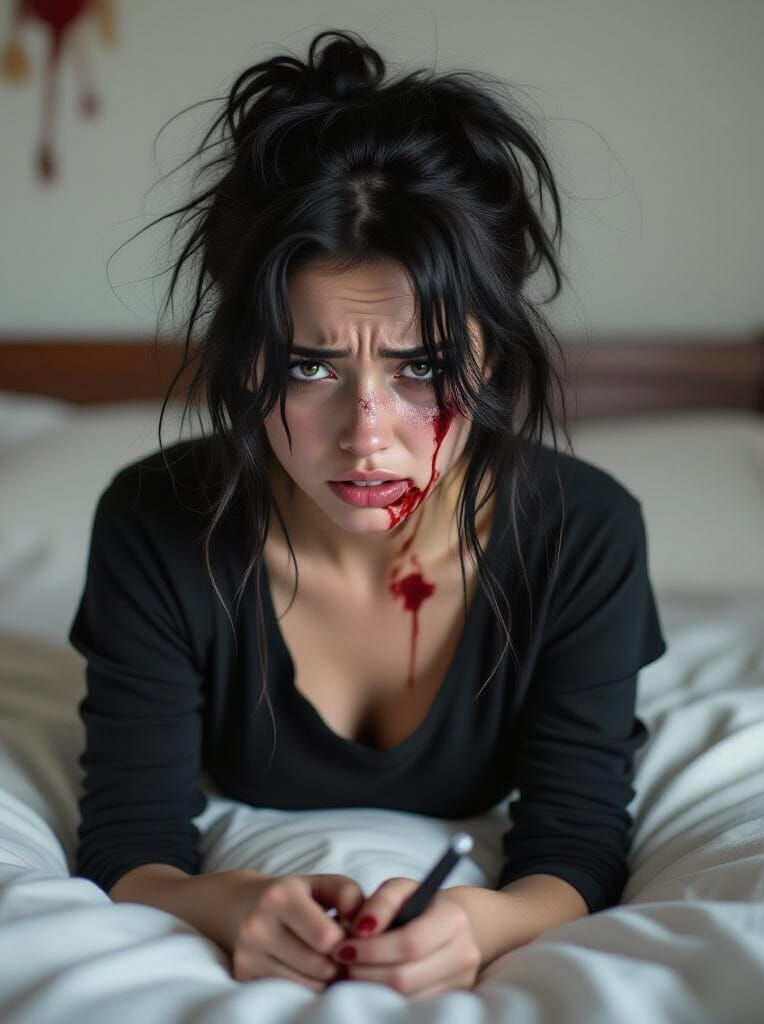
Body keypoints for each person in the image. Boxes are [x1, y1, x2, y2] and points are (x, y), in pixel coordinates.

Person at [68, 28, 668, 1000]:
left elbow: (577, 843)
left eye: (422, 368)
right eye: (309, 365)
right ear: (244, 359)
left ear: (495, 360)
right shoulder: (154, 520)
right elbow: (130, 844)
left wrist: (481, 921)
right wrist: (232, 904)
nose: (366, 435)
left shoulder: (584, 533)